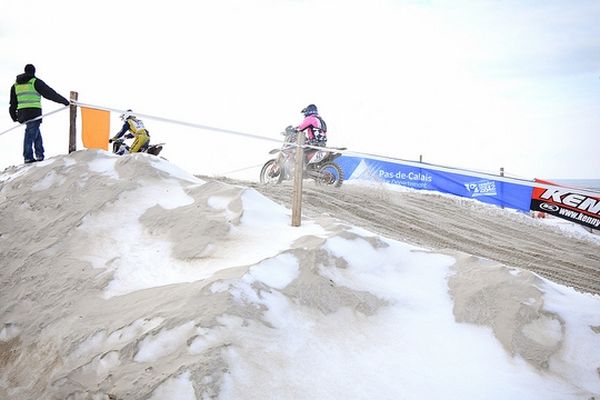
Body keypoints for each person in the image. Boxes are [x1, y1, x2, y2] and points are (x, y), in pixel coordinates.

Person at [9, 64, 70, 163]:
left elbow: (13, 102)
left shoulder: (15, 85)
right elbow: (50, 93)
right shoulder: (35, 82)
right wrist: (64, 101)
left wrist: (13, 115)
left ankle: (40, 154)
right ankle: (28, 156)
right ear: (34, 72)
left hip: (22, 113)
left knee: (35, 132)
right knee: (30, 133)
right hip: (33, 112)